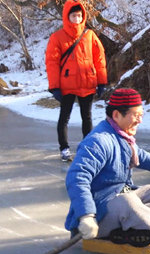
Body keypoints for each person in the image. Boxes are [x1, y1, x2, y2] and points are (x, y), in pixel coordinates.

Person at [64, 88, 150, 247]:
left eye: (141, 115)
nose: (140, 120)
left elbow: (138, 155)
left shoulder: (122, 136)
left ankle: (133, 231)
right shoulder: (98, 141)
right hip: (98, 216)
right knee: (127, 202)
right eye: (136, 115)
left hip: (120, 200)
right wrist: (86, 215)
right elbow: (77, 178)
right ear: (116, 115)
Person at [45, 0, 108, 161]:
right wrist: (54, 87)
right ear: (67, 17)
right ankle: (64, 149)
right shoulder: (57, 37)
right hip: (67, 85)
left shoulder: (89, 35)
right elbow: (51, 62)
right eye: (74, 16)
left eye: (80, 15)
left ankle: (88, 147)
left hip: (87, 82)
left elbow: (99, 59)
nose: (77, 19)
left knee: (87, 116)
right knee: (64, 117)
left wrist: (101, 82)